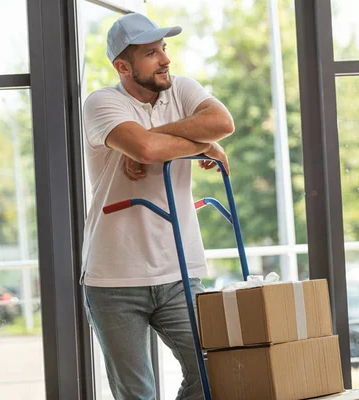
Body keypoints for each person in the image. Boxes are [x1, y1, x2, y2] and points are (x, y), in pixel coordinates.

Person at [80, 13, 234, 400]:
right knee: (137, 395)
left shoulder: (182, 89)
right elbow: (147, 150)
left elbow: (222, 121)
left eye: (164, 48)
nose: (165, 59)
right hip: (114, 278)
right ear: (123, 66)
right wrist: (200, 141)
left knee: (212, 375)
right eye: (151, 53)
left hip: (180, 270)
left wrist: (162, 139)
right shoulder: (101, 103)